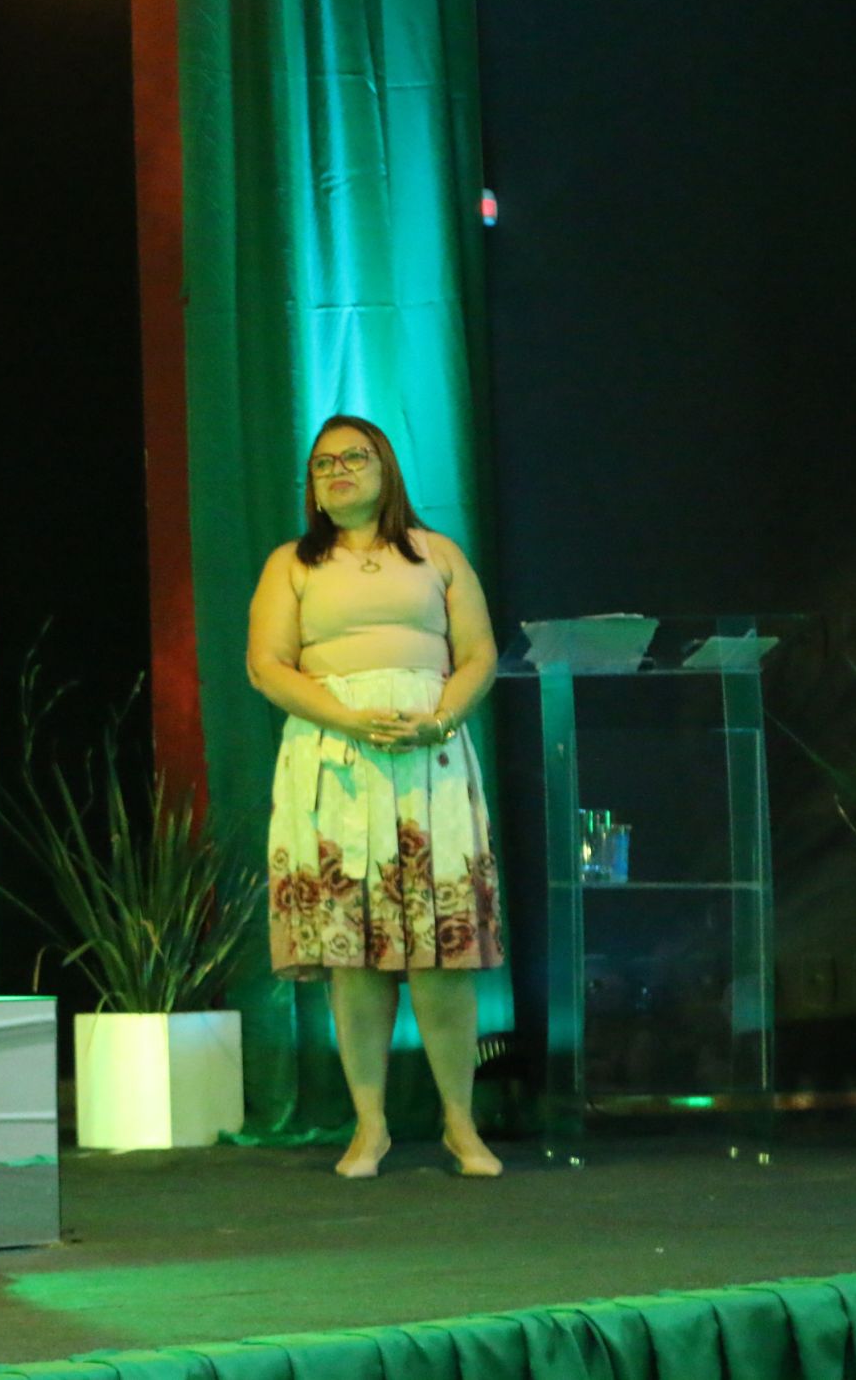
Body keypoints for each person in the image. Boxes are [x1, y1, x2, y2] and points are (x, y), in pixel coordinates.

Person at [245, 414, 506, 1179]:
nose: (337, 472)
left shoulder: (438, 554)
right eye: (323, 463)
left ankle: (461, 1124)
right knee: (351, 953)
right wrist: (350, 718)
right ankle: (370, 1126)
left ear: (385, 467)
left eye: (353, 458)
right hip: (335, 763)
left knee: (441, 953)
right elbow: (267, 665)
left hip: (430, 761)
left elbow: (479, 653)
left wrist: (440, 719)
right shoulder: (291, 563)